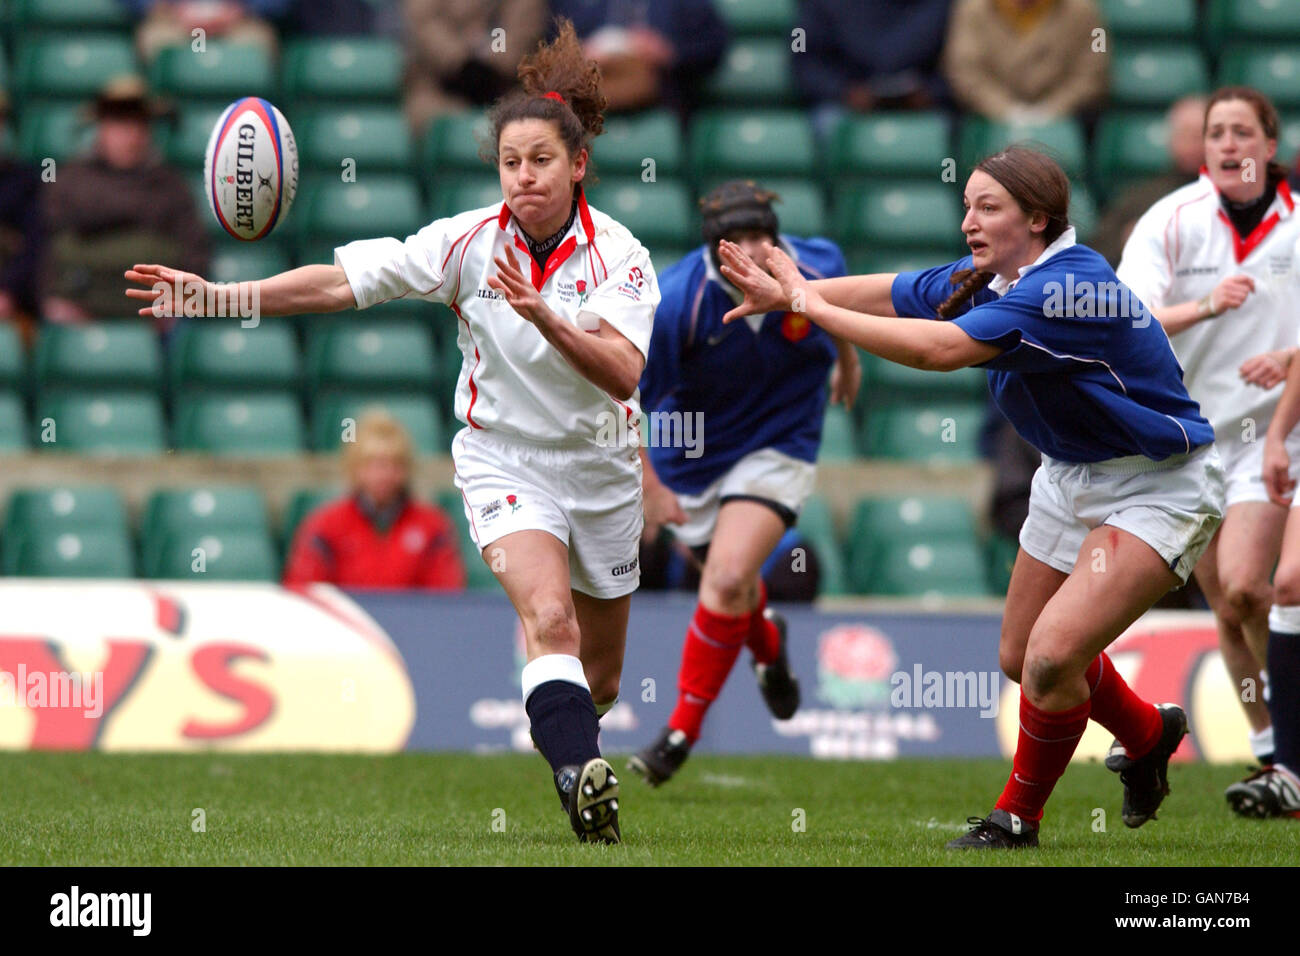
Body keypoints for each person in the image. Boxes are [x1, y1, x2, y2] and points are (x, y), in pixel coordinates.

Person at [126, 20, 659, 845]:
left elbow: (624, 374)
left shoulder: (622, 256)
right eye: (510, 163)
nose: (524, 177)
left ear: (579, 163)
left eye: (542, 161)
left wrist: (544, 316)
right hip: (503, 459)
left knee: (601, 678)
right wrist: (217, 297)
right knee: (546, 619)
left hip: (601, 470)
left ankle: (575, 741)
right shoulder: (466, 243)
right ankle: (579, 786)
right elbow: (342, 284)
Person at [718, 145, 1224, 849]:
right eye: (966, 205)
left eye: (988, 207)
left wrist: (805, 302)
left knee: (1051, 660)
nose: (968, 222)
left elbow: (936, 351)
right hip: (1071, 474)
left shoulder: (1066, 288)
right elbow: (895, 291)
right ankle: (1147, 732)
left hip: (1156, 484)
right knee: (1020, 658)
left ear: (1039, 219)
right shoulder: (995, 275)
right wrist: (802, 287)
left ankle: (1017, 820)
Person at [626, 181, 858, 786]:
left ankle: (678, 733)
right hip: (692, 458)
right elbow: (626, 404)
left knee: (727, 577)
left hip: (781, 443)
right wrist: (651, 483)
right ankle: (768, 645)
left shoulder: (816, 263)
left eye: (765, 235)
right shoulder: (677, 303)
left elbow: (841, 311)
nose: (757, 249)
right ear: (715, 248)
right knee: (731, 587)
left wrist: (849, 361)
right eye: (742, 240)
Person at [1116, 87, 1300, 802]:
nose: (1226, 144)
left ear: (1268, 147)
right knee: (1230, 607)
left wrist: (1287, 365)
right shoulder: (1171, 220)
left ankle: (1285, 754)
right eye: (1216, 132)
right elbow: (1127, 324)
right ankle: (1268, 748)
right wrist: (1205, 304)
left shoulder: (1296, 227)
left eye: (1241, 132)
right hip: (1192, 439)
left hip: (1276, 429)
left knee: (1261, 584)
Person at [46, 75, 209, 325]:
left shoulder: (171, 185)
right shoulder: (71, 180)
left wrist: (179, 303)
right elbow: (45, 247)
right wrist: (52, 299)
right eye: (119, 122)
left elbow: (196, 255)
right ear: (101, 127)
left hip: (153, 316)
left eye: (139, 123)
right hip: (81, 312)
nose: (131, 134)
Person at [283, 408, 467, 591]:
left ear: (406, 468)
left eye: (394, 464)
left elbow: (446, 598)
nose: (384, 474)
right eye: (374, 464)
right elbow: (305, 593)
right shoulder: (325, 526)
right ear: (356, 467)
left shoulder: (433, 527)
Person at [942, 0, 1107, 125]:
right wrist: (1007, 111)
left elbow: (1092, 75)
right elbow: (964, 72)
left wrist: (1051, 111)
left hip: (1066, 121)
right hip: (989, 121)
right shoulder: (972, 9)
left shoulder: (1083, 10)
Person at [1090, 95, 1206, 267]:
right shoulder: (1139, 197)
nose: (1191, 143)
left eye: (1199, 134)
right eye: (1184, 133)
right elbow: (1096, 254)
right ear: (1170, 138)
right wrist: (1126, 242)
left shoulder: (1233, 197)